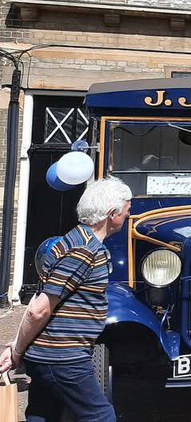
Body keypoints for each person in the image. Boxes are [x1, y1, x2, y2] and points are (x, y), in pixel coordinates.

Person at [0, 178, 131, 422]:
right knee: (100, 416)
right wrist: (16, 350)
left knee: (43, 413)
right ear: (111, 213)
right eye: (126, 211)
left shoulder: (69, 241)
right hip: (63, 357)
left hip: (46, 355)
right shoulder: (85, 250)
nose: (127, 217)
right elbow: (38, 310)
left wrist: (19, 346)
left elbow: (40, 296)